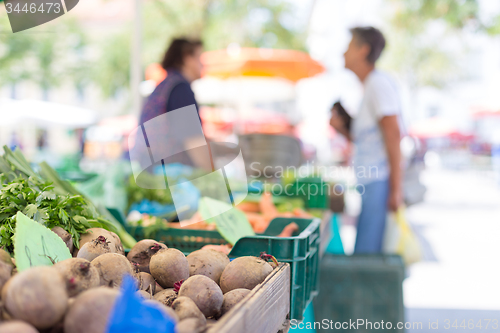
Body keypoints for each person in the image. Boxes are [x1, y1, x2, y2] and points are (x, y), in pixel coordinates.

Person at [330, 27, 402, 253]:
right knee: (364, 249)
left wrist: (395, 190)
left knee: (366, 254)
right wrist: (342, 130)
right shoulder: (369, 87)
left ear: (363, 50)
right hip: (370, 182)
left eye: (349, 46)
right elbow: (369, 141)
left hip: (379, 182)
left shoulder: (377, 84)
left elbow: (393, 134)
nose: (343, 52)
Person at [140, 38, 203, 124]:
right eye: (198, 57)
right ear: (187, 58)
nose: (202, 64)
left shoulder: (167, 85)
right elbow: (192, 137)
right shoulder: (180, 89)